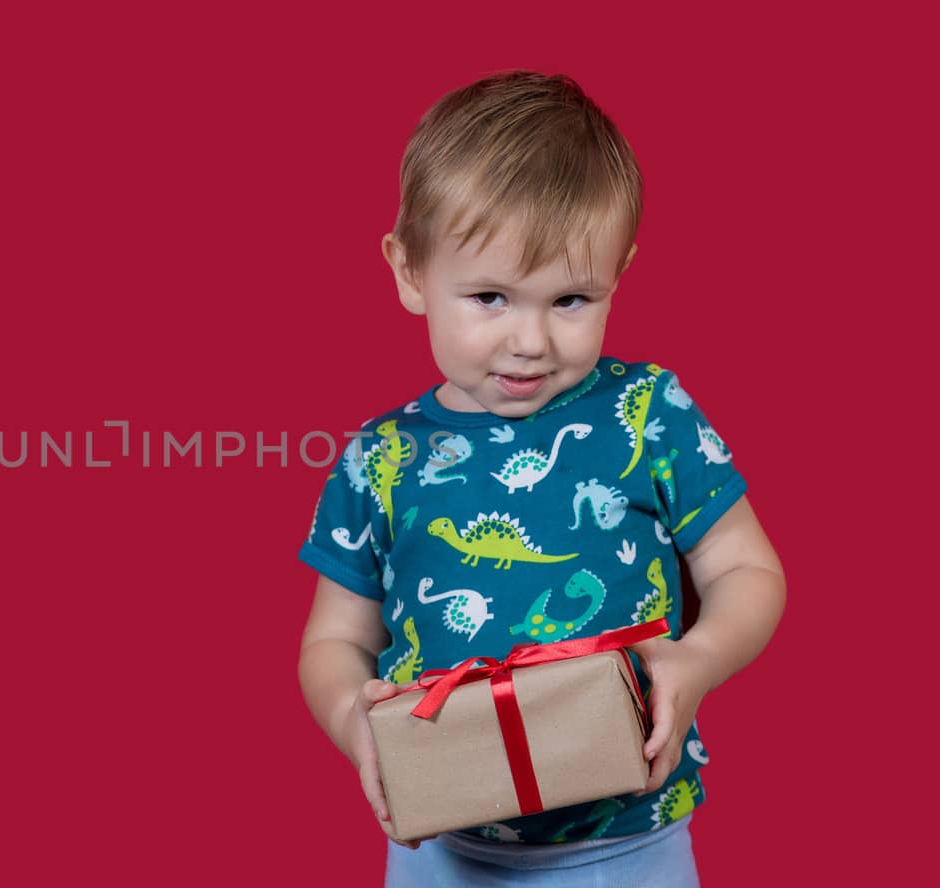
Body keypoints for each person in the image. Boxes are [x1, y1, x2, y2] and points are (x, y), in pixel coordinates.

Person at [295, 70, 786, 887]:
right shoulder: (378, 458)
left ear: (619, 273)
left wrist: (697, 659)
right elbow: (334, 639)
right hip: (443, 844)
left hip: (629, 841)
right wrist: (354, 718)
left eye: (570, 300)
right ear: (410, 272)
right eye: (489, 296)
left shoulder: (649, 411)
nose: (529, 340)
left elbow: (747, 569)